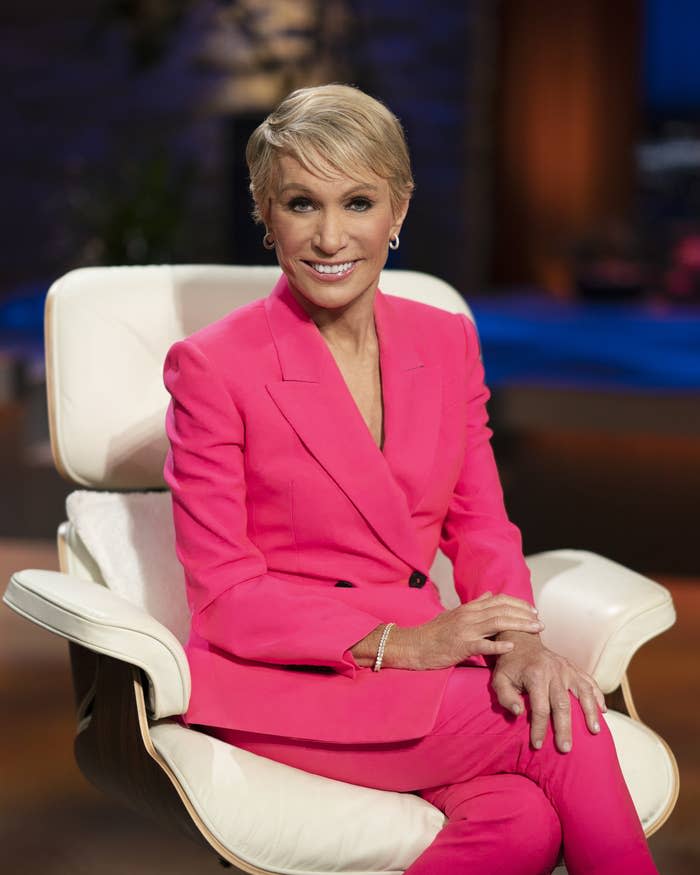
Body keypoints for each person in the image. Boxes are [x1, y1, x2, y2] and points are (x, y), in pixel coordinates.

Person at [162, 84, 658, 875]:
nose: (330, 235)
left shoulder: (447, 338)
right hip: (291, 679)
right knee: (565, 730)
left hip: (426, 670)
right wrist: (404, 641)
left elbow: (482, 524)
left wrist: (519, 643)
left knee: (519, 822)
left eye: (358, 202)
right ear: (266, 213)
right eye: (301, 203)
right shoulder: (215, 365)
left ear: (397, 211)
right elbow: (224, 597)